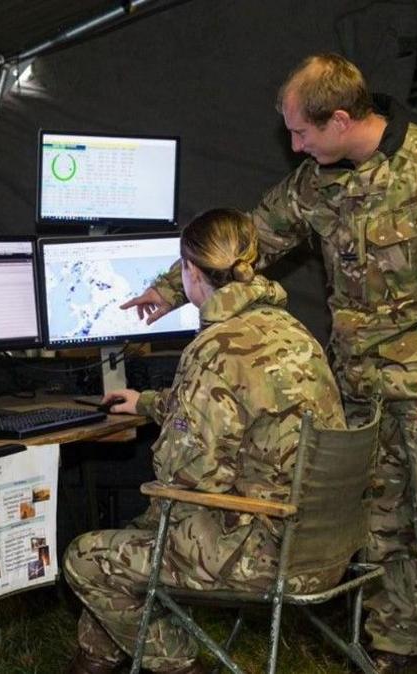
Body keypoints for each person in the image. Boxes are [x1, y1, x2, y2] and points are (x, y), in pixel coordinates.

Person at [122, 53, 417, 674]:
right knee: (383, 531)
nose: (296, 147)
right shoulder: (318, 183)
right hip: (360, 391)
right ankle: (397, 651)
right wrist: (170, 288)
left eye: (301, 133)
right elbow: (248, 236)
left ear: (338, 119)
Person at [63, 208, 347, 674]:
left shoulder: (215, 347)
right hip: (322, 543)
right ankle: (94, 663)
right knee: (135, 539)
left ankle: (184, 668)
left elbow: (188, 476)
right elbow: (242, 403)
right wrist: (150, 402)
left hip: (261, 554)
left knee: (88, 557)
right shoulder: (291, 332)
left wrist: (168, 450)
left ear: (191, 272)